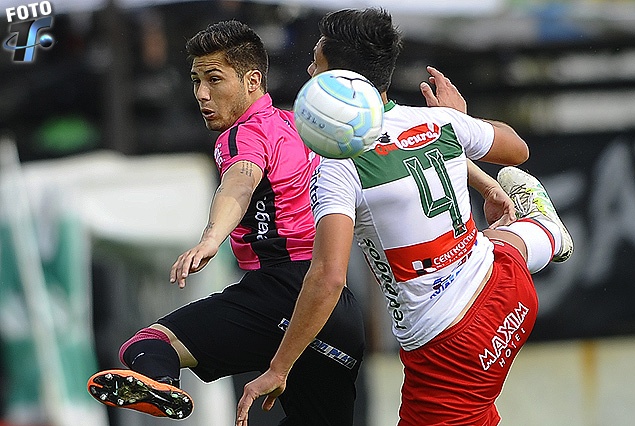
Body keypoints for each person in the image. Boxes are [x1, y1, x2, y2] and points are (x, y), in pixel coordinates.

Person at [236, 8, 573, 426]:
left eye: (316, 65)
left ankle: (540, 232)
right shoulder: (434, 120)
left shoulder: (340, 166)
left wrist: (279, 367)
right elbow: (517, 150)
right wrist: (462, 122)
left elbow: (328, 278)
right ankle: (542, 231)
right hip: (508, 289)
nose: (308, 71)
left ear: (339, 83)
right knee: (487, 244)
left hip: (450, 346)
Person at [86, 20, 366, 425]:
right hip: (337, 309)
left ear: (253, 81)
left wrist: (211, 237)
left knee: (147, 345)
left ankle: (160, 381)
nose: (202, 94)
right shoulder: (303, 127)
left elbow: (240, 182)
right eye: (196, 81)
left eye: (214, 79)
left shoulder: (243, 135)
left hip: (280, 294)